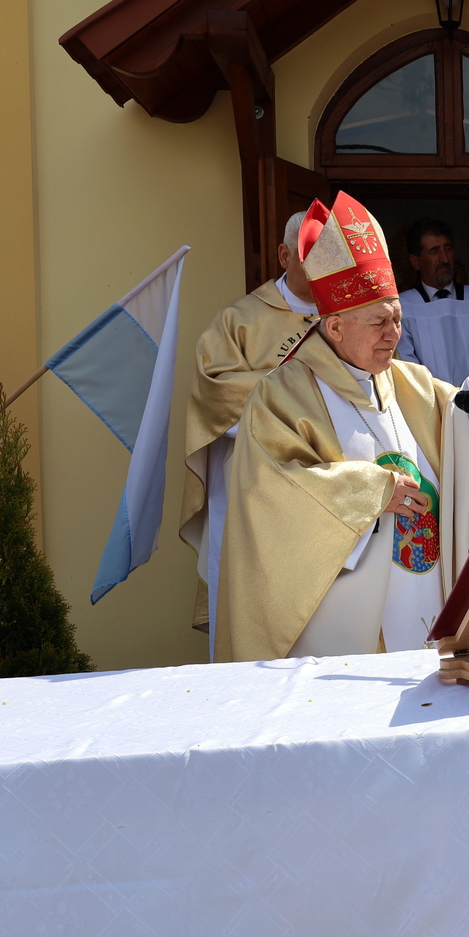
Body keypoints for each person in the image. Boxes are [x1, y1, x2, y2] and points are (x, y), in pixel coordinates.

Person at [215, 192, 469, 662]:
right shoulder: (281, 395)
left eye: (397, 320)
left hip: (422, 598)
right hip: (338, 616)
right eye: (379, 322)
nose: (393, 335)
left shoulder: (408, 383)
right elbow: (270, 493)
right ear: (336, 327)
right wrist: (371, 489)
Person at [179, 212, 320, 654]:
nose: (323, 267)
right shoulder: (238, 319)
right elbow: (216, 392)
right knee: (246, 604)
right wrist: (300, 396)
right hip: (251, 482)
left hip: (324, 485)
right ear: (283, 254)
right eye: (311, 254)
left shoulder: (349, 318)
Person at [396, 218, 469, 386]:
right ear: (415, 261)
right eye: (434, 251)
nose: (444, 258)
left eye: (447, 249)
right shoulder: (404, 307)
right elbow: (407, 369)